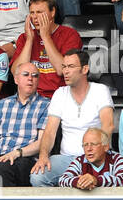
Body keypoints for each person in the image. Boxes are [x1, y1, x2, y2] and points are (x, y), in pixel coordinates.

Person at [29, 48, 114, 186]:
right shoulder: (60, 93)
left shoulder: (100, 90)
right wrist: (43, 156)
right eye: (64, 67)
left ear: (85, 69)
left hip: (97, 158)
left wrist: (96, 156)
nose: (65, 71)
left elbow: (108, 125)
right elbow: (50, 131)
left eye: (71, 66)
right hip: (67, 159)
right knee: (37, 177)